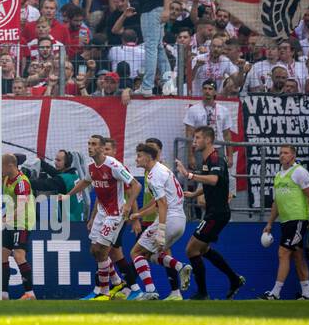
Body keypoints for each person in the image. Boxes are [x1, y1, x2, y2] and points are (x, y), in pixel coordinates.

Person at [62, 134, 141, 301]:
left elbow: (136, 185)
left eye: (94, 144)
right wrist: (68, 195)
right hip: (102, 213)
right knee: (94, 251)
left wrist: (128, 206)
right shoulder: (91, 167)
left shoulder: (114, 165)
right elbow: (85, 182)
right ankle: (117, 282)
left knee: (102, 251)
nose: (90, 147)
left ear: (102, 147)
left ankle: (104, 292)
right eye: (89, 143)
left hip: (115, 214)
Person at [177, 126, 246, 300]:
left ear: (208, 140)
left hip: (217, 213)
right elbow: (212, 182)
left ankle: (202, 293)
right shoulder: (208, 159)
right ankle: (234, 279)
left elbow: (214, 180)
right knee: (204, 249)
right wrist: (195, 193)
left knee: (191, 250)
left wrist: (189, 175)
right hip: (214, 212)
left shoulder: (216, 158)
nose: (194, 142)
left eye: (198, 138)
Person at [122, 142, 192, 301]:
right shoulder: (162, 169)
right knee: (150, 255)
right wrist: (139, 214)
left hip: (169, 219)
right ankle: (179, 267)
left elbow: (163, 205)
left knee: (135, 252)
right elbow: (157, 202)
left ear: (148, 158)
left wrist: (160, 231)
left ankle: (150, 291)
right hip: (180, 221)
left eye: (139, 156)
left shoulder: (154, 175)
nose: (136, 159)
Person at [261, 144, 309, 300]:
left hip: (298, 220)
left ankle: (275, 293)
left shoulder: (300, 172)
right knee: (297, 256)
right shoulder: (279, 175)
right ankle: (307, 294)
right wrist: (270, 223)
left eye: (286, 153)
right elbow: (276, 203)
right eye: (280, 153)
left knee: (283, 253)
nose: (282, 155)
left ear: (293, 155)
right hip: (285, 222)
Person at [132, 0, 171, 96]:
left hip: (152, 10)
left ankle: (147, 85)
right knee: (158, 47)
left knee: (151, 47)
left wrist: (167, 9)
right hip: (150, 9)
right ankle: (169, 85)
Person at [0, 152, 35, 300]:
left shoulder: (22, 182)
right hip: (10, 222)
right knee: (2, 255)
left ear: (10, 165)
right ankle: (3, 294)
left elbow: (21, 208)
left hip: (22, 222)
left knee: (19, 255)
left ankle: (30, 293)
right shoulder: (6, 177)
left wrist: (4, 219)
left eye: (1, 165)